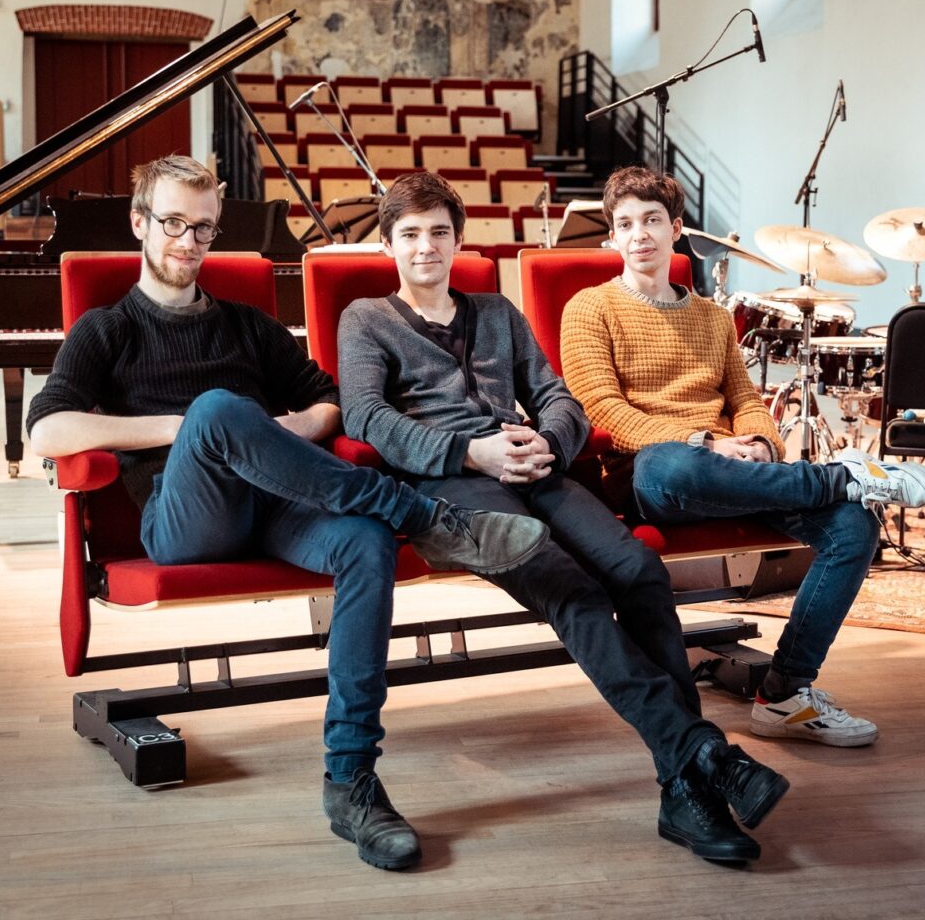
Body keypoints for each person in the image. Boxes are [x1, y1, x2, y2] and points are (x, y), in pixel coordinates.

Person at [25, 155, 549, 872]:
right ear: (140, 223)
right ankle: (421, 513)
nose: (188, 241)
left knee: (364, 542)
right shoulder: (106, 329)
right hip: (185, 520)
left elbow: (330, 402)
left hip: (277, 506)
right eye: (173, 223)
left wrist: (283, 430)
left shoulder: (248, 325)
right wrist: (186, 426)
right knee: (217, 409)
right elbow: (47, 431)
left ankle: (351, 780)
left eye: (203, 228)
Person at [338, 170, 792, 865]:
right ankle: (701, 759)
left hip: (535, 469)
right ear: (387, 244)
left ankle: (683, 786)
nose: (426, 246)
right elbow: (367, 417)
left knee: (638, 570)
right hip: (453, 484)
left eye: (439, 232)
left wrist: (547, 440)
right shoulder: (366, 318)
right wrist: (471, 451)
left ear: (458, 240)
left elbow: (557, 395)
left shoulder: (495, 311)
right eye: (410, 234)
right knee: (570, 590)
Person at [561, 166, 925, 749]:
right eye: (626, 224)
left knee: (854, 526)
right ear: (612, 236)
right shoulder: (590, 308)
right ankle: (840, 477)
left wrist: (761, 442)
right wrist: (707, 442)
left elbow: (745, 400)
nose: (639, 235)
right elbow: (603, 410)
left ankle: (785, 693)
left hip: (737, 470)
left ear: (676, 229)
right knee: (672, 463)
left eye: (652, 221)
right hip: (655, 474)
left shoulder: (713, 317)